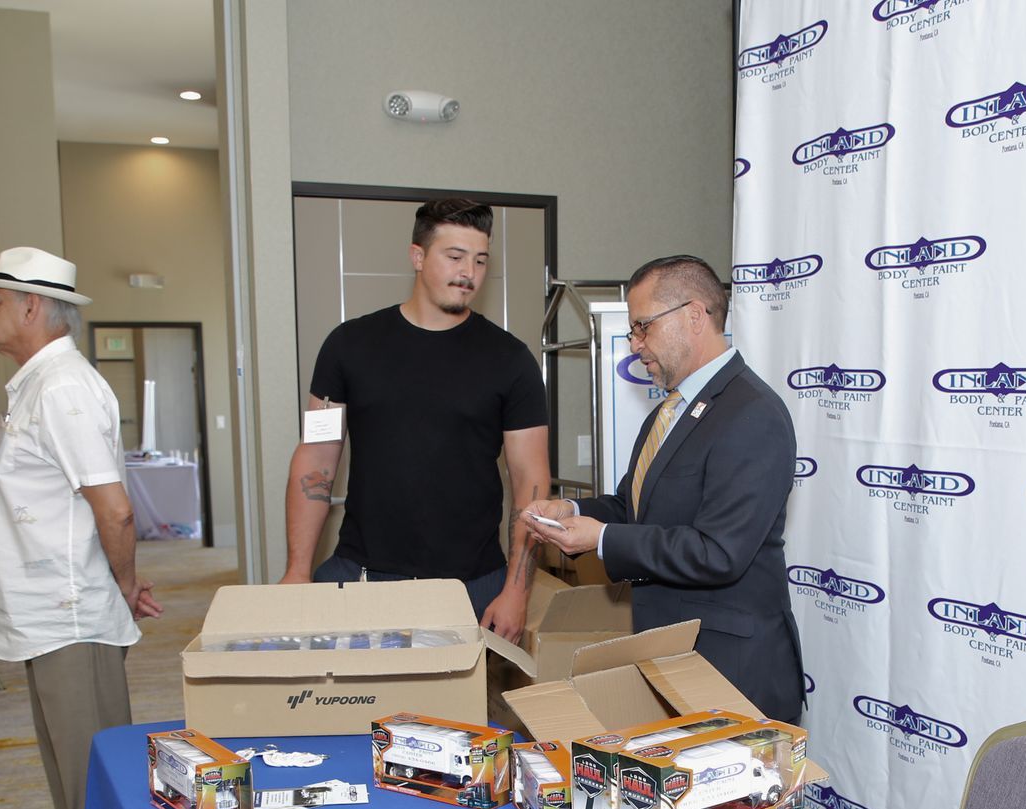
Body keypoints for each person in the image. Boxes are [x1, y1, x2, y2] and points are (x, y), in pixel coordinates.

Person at [522, 255, 804, 722]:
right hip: (673, 659)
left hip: (732, 673)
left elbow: (719, 552)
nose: (634, 345)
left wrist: (601, 539)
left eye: (643, 327)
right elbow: (634, 508)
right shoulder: (668, 413)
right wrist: (569, 509)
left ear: (694, 316)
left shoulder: (752, 414)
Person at [0, 247, 161, 809]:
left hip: (71, 610)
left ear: (30, 306)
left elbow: (113, 510)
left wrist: (122, 585)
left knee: (93, 765)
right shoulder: (37, 383)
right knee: (62, 757)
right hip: (44, 608)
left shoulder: (66, 389)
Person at [280, 198, 551, 640]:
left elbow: (531, 481)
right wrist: (297, 570)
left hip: (472, 586)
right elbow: (316, 458)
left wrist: (517, 592)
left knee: (456, 712)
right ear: (418, 256)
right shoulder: (348, 346)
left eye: (480, 260)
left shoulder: (511, 360)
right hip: (364, 575)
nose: (468, 273)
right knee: (353, 707)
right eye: (455, 256)